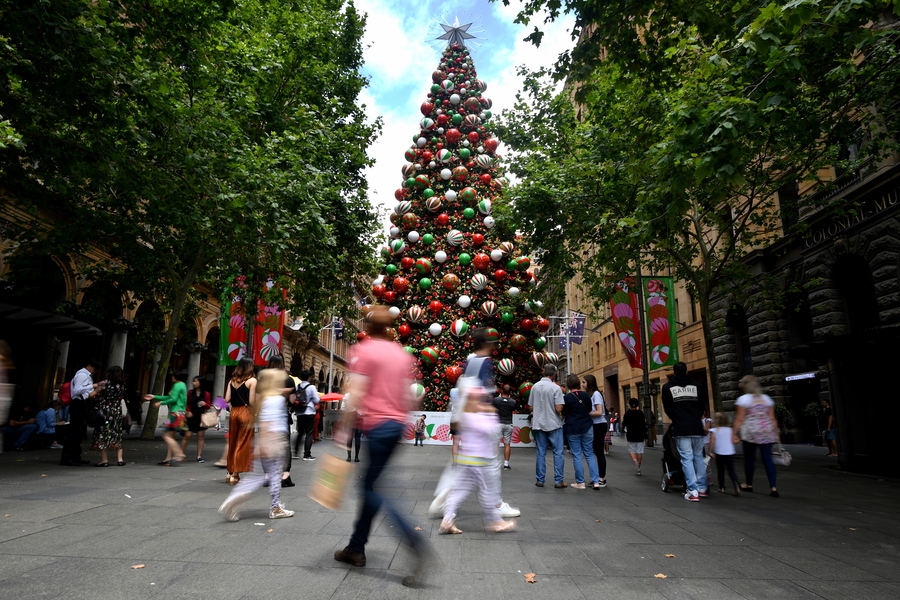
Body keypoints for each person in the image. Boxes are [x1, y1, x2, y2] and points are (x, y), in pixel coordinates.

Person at [333, 306, 431, 589]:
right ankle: (356, 548)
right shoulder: (401, 354)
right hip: (397, 426)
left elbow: (358, 393)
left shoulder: (364, 351)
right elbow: (410, 396)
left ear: (368, 325)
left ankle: (414, 541)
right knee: (371, 487)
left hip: (376, 426)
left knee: (373, 490)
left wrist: (344, 429)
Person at [218, 368, 295, 521]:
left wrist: (261, 443)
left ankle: (235, 499)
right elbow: (272, 424)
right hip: (273, 441)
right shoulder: (278, 399)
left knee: (259, 477)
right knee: (271, 476)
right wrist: (273, 444)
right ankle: (274, 508)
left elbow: (264, 423)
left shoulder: (265, 399)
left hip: (265, 440)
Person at [440, 386, 516, 534]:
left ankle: (447, 520)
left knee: (459, 491)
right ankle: (496, 522)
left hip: (467, 459)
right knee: (488, 491)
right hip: (480, 460)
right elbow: (491, 431)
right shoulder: (477, 415)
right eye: (482, 400)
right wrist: (491, 414)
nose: (486, 403)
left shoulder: (465, 414)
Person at [661, 362, 708, 501]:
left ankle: (692, 490)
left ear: (674, 373)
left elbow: (667, 407)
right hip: (696, 427)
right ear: (686, 372)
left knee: (687, 458)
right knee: (698, 457)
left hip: (681, 428)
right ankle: (703, 487)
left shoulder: (668, 387)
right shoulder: (697, 386)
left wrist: (676, 419)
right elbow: (702, 406)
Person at [732, 374, 780, 497]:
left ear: (745, 386)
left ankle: (749, 484)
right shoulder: (766, 399)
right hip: (767, 432)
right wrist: (776, 434)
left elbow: (740, 419)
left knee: (749, 459)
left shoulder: (743, 400)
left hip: (751, 433)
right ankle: (773, 487)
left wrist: (734, 433)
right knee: (768, 459)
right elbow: (772, 418)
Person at [562, 374, 602, 490]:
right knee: (589, 454)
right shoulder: (586, 395)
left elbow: (564, 412)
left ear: (568, 385)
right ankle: (596, 481)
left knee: (577, 455)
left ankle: (580, 482)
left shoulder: (567, 397)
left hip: (573, 427)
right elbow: (589, 409)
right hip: (587, 426)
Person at [530, 363, 566, 488]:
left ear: (544, 373)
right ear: (554, 375)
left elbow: (530, 406)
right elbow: (559, 408)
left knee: (541, 452)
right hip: (553, 423)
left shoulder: (534, 387)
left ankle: (540, 479)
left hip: (539, 423)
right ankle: (558, 480)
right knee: (558, 452)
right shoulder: (556, 388)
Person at [61, 358, 102, 466]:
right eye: (95, 369)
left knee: (79, 432)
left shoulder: (85, 375)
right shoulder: (82, 375)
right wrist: (92, 386)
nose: (95, 371)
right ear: (89, 366)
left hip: (82, 404)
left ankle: (75, 456)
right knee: (75, 431)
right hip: (78, 404)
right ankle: (68, 457)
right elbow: (77, 390)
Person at [266, 354, 296, 488]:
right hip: (282, 414)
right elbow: (292, 401)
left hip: (267, 415)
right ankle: (285, 475)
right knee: (284, 446)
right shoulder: (288, 380)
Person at [224, 357, 256, 484]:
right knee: (242, 443)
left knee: (233, 441)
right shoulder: (252, 381)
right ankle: (235, 475)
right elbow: (252, 401)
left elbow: (226, 399)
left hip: (234, 412)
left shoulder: (232, 381)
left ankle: (229, 472)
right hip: (245, 412)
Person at [145, 372, 188, 466]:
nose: (172, 376)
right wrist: (154, 397)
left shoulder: (177, 385)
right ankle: (168, 459)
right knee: (170, 437)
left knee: (166, 436)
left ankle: (179, 453)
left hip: (175, 414)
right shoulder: (182, 385)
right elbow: (170, 397)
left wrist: (160, 403)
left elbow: (173, 399)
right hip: (180, 413)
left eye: (173, 375)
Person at [92, 365, 126, 466]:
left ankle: (104, 460)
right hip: (117, 411)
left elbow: (92, 394)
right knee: (117, 433)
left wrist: (97, 391)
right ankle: (120, 460)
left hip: (106, 411)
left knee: (104, 432)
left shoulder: (105, 384)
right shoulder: (122, 385)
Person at [582, 375, 608, 486]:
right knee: (595, 451)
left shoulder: (596, 394)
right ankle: (598, 477)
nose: (582, 384)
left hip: (599, 424)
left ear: (589, 382)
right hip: (595, 425)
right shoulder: (590, 395)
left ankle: (601, 478)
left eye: (584, 382)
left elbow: (599, 412)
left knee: (599, 452)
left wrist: (586, 414)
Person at [709, 412, 741, 496]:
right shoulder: (730, 430)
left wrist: (710, 451)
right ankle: (735, 483)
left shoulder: (714, 431)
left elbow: (712, 442)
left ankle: (721, 487)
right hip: (730, 453)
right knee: (731, 470)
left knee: (720, 471)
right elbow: (735, 440)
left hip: (719, 453)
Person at [181, 376, 210, 463]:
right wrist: (188, 411)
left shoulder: (206, 394)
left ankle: (199, 456)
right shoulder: (189, 392)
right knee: (187, 435)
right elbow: (186, 404)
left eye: (195, 381)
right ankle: (180, 454)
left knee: (200, 436)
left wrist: (205, 404)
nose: (193, 383)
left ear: (200, 382)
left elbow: (208, 406)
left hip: (201, 417)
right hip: (191, 416)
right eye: (193, 381)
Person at [293, 369, 318, 461]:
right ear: (309, 377)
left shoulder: (297, 386)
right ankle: (307, 454)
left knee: (300, 432)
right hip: (309, 412)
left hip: (299, 412)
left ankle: (295, 452)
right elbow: (316, 400)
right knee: (309, 433)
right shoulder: (311, 387)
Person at [492, 385, 516, 469]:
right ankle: (506, 464)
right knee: (507, 444)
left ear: (502, 391)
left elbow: (493, 407)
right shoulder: (513, 401)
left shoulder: (496, 400)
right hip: (508, 423)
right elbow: (513, 408)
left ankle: (495, 462)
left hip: (498, 423)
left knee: (495, 443)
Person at [622, 398, 647, 475]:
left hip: (631, 434)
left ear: (630, 405)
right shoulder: (640, 413)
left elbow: (624, 423)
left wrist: (622, 431)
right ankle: (638, 468)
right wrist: (645, 435)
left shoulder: (627, 413)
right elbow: (644, 424)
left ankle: (634, 460)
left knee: (631, 450)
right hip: (640, 434)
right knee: (640, 451)